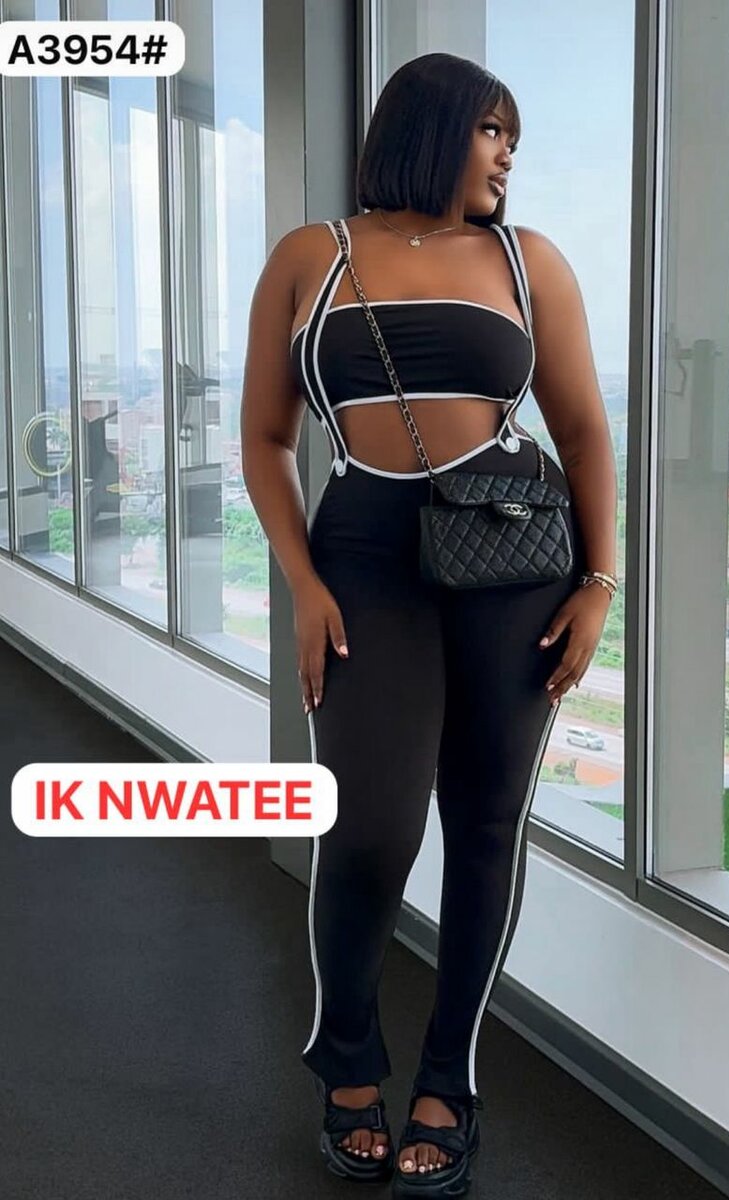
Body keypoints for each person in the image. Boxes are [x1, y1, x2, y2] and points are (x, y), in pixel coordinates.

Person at [241, 50, 617, 1197]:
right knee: (366, 827)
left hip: (514, 556)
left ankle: (448, 1086)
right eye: (492, 131)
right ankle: (348, 1064)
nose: (506, 156)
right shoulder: (312, 255)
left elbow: (582, 432)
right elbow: (264, 439)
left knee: (486, 826)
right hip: (363, 556)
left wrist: (598, 583)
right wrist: (303, 585)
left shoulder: (526, 261)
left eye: (514, 140)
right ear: (432, 127)